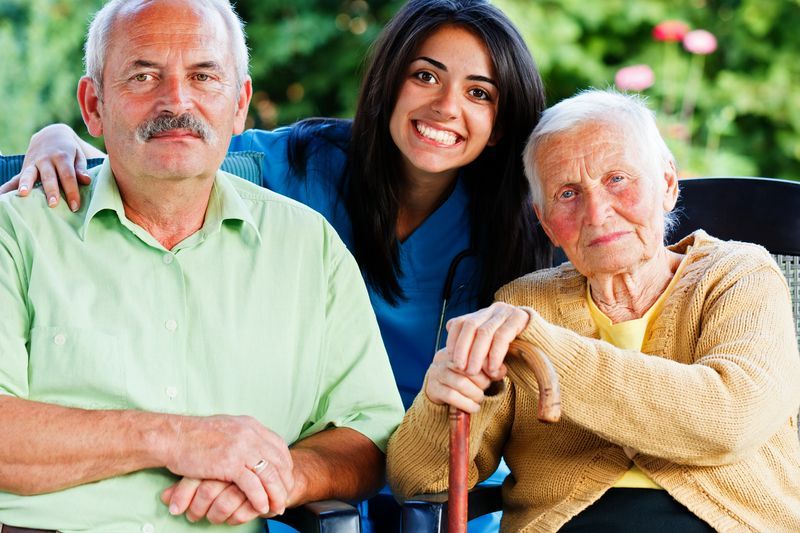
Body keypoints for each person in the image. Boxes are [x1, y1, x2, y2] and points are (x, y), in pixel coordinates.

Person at [4, 0, 552, 410]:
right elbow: (173, 145)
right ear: (391, 82)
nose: (445, 106)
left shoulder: (527, 222)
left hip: (452, 473)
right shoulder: (303, 164)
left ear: (501, 122)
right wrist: (59, 139)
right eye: (425, 76)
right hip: (318, 462)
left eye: (479, 92)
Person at [0, 0, 404, 531]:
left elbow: (369, 433)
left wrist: (282, 476)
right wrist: (175, 438)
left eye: (204, 76)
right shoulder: (16, 232)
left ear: (239, 105)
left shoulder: (310, 247)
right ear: (93, 105)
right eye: (143, 75)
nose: (176, 100)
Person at [387, 89, 800, 532]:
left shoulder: (738, 275)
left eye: (618, 179)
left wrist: (542, 346)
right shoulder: (524, 304)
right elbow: (419, 480)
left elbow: (729, 421)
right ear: (545, 223)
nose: (597, 213)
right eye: (567, 193)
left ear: (666, 184)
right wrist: (440, 400)